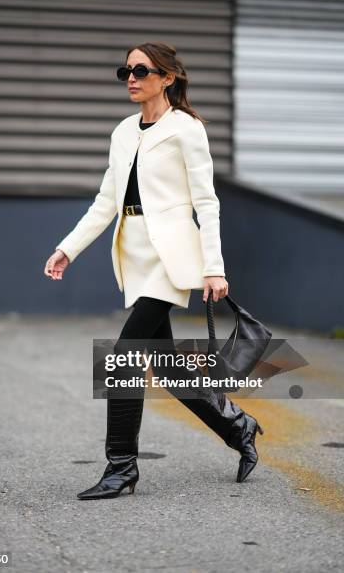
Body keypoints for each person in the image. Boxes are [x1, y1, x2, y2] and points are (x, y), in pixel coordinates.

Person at [44, 41, 264, 500]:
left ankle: (121, 467)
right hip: (136, 256)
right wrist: (69, 248)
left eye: (142, 70)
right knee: (166, 366)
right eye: (126, 69)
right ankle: (239, 427)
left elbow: (207, 202)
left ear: (167, 77)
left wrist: (213, 267)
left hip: (171, 259)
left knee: (124, 354)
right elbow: (107, 202)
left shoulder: (187, 130)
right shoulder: (123, 131)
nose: (131, 77)